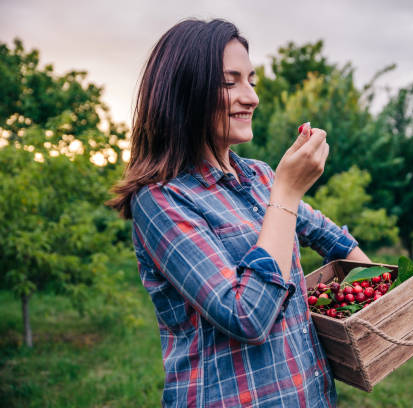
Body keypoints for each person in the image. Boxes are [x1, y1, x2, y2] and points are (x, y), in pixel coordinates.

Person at [108, 18, 372, 407]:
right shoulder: (162, 200)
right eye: (229, 82)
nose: (251, 97)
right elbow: (247, 317)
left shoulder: (261, 177)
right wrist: (287, 192)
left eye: (252, 80)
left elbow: (332, 239)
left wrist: (384, 300)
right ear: (184, 91)